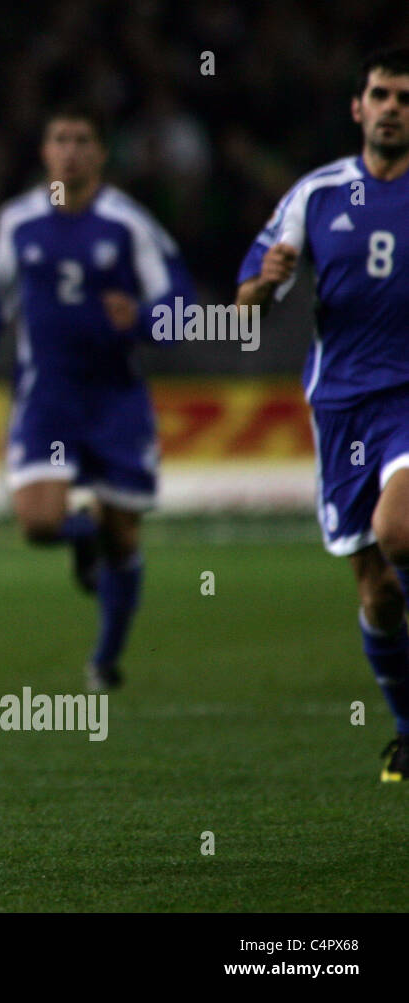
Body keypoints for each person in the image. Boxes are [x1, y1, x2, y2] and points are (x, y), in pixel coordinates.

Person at [0, 107, 194, 691]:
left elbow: (181, 305)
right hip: (48, 399)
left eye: (82, 140)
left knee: (125, 535)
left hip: (115, 401)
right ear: (44, 152)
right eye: (59, 139)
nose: (70, 151)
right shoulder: (18, 220)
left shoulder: (128, 224)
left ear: (101, 154)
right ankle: (79, 537)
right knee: (38, 523)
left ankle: (106, 659)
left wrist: (142, 320)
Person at [236, 48, 409, 781]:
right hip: (339, 409)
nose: (393, 107)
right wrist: (266, 283)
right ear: (358, 108)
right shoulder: (318, 194)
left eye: (405, 97)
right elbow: (246, 301)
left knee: (399, 529)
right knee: (375, 585)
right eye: (381, 95)